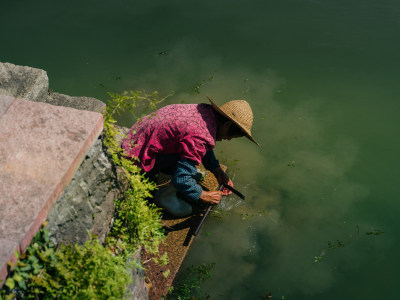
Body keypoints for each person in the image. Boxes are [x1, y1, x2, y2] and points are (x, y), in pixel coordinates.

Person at [121, 96, 258, 216]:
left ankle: (182, 170)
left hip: (136, 138)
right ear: (227, 124)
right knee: (184, 175)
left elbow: (200, 145)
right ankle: (165, 196)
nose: (228, 139)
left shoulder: (205, 113)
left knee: (190, 156)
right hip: (137, 157)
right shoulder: (200, 137)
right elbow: (181, 179)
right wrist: (202, 195)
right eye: (230, 136)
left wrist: (216, 169)